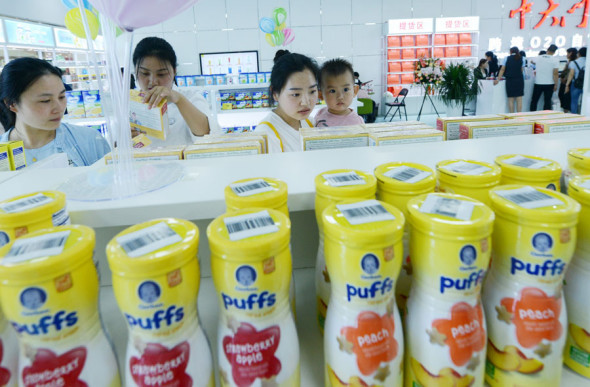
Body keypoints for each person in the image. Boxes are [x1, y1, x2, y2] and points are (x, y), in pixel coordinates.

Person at [0, 58, 110, 167]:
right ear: (12, 104)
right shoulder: (3, 153)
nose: (59, 108)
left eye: (62, 97)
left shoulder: (89, 140)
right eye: (45, 101)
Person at [132, 37, 219, 146]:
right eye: (144, 73)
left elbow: (207, 135)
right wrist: (125, 140)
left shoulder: (191, 98)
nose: (153, 81)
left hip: (184, 162)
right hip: (144, 162)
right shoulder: (129, 104)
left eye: (161, 74)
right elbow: (117, 148)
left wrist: (178, 99)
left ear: (174, 71)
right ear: (135, 71)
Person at [254, 51, 319, 153]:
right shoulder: (266, 135)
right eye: (296, 94)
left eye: (312, 91)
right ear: (275, 93)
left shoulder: (309, 123)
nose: (306, 102)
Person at [315, 59, 364, 127]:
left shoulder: (357, 122)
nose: (340, 96)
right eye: (332, 91)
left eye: (345, 89)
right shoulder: (320, 113)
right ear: (320, 95)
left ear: (354, 91)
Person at [495, 47, 525, 113]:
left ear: (510, 52)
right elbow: (522, 70)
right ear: (518, 51)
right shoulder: (522, 58)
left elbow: (502, 69)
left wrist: (498, 79)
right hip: (519, 80)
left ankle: (512, 115)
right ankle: (519, 115)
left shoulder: (506, 58)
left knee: (510, 99)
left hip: (510, 80)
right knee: (519, 99)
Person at [530, 44, 559, 111]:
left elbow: (531, 61)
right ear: (554, 52)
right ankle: (546, 116)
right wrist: (556, 84)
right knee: (547, 101)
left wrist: (538, 64)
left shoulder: (539, 57)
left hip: (538, 82)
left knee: (534, 100)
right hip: (549, 83)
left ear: (547, 50)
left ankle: (532, 114)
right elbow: (555, 73)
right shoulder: (555, 60)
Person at [566, 47, 586, 114]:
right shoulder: (588, 62)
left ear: (579, 54)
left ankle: (574, 117)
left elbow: (571, 74)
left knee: (574, 101)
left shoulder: (574, 62)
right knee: (586, 101)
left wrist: (567, 85)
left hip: (576, 84)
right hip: (587, 85)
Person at [559, 48, 578, 112]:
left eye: (567, 53)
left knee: (566, 99)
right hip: (565, 82)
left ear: (571, 53)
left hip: (568, 82)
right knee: (563, 97)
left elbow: (570, 73)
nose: (566, 55)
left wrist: (565, 79)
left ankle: (566, 113)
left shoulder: (573, 62)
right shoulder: (569, 61)